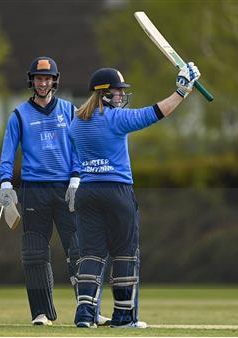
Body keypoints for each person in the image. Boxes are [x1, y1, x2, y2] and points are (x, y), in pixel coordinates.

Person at [69, 63, 201, 328]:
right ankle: (123, 316)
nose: (121, 96)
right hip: (117, 192)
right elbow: (154, 113)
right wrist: (181, 91)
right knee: (125, 254)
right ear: (103, 93)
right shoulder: (116, 119)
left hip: (87, 192)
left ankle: (85, 315)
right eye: (117, 91)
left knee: (91, 255)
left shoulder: (76, 123)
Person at [0, 56, 110, 326]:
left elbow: (80, 146)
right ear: (32, 81)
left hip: (66, 188)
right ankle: (41, 313)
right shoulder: (19, 115)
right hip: (34, 189)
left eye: (47, 78)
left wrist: (77, 177)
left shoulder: (69, 111)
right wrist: (6, 183)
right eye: (38, 78)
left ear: (54, 81)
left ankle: (90, 310)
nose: (42, 82)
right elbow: (8, 153)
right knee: (35, 252)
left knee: (80, 250)